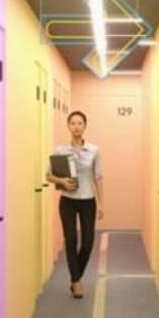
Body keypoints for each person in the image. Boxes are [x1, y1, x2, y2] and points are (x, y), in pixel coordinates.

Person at [46, 110, 104, 299]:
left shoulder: (94, 150)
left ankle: (75, 276)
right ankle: (76, 282)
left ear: (85, 126)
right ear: (68, 126)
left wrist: (101, 203)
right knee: (70, 240)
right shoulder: (60, 151)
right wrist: (61, 181)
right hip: (67, 201)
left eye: (80, 123)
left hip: (88, 200)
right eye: (73, 123)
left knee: (87, 243)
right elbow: (48, 176)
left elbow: (98, 177)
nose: (76, 127)